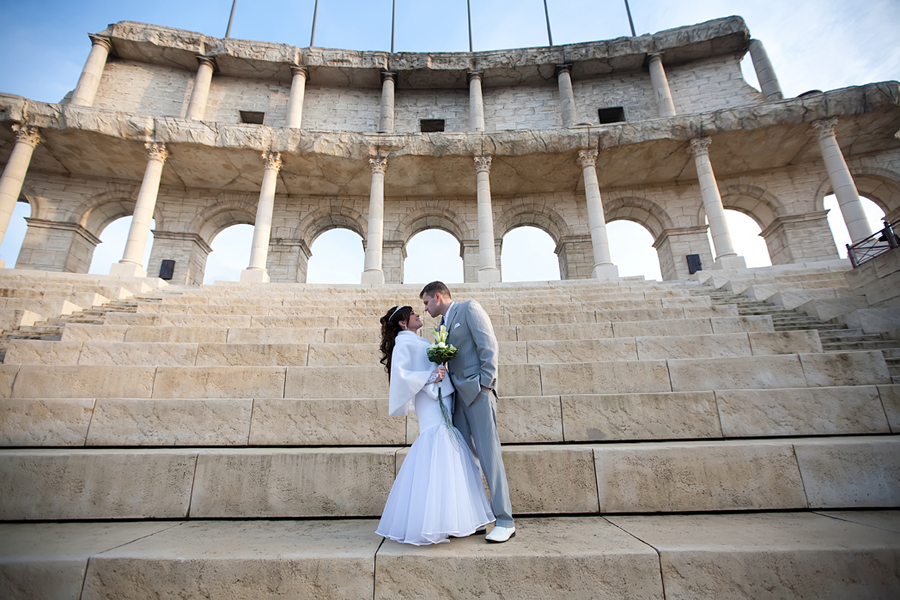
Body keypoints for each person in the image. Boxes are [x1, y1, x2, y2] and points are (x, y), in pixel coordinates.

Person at [375, 305, 495, 545]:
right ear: (402, 323)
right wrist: (431, 377)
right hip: (429, 400)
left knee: (450, 451)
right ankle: (439, 521)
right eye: (412, 314)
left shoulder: (415, 340)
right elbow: (402, 376)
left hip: (440, 397)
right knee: (439, 449)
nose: (419, 314)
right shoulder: (403, 342)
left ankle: (454, 519)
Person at [420, 281, 516, 543]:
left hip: (478, 393)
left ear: (438, 296)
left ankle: (505, 520)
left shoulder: (469, 309)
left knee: (489, 456)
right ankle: (476, 520)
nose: (425, 309)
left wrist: (486, 383)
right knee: (466, 461)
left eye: (427, 303)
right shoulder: (442, 326)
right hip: (458, 401)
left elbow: (488, 345)